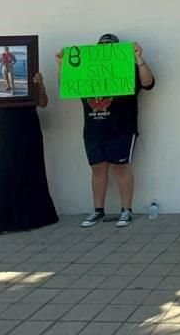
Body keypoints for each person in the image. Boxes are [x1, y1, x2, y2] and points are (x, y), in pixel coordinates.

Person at [57, 34, 155, 228]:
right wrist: (62, 64)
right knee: (97, 169)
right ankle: (98, 210)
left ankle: (126, 210)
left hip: (122, 128)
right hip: (93, 129)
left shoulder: (128, 70)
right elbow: (66, 86)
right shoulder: (86, 72)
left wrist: (138, 58)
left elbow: (148, 83)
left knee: (121, 167)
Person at [0, 72, 58, 235]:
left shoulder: (31, 73)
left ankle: (36, 217)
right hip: (4, 128)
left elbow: (43, 102)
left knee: (31, 170)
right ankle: (6, 221)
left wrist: (40, 84)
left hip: (28, 127)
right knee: (3, 173)